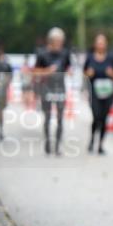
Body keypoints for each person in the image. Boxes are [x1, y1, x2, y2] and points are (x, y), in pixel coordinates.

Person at [33, 27, 72, 155]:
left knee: (60, 118)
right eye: (57, 40)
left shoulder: (65, 53)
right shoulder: (42, 54)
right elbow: (35, 72)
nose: (60, 43)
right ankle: (48, 142)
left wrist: (69, 72)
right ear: (51, 40)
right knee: (48, 117)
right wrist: (47, 71)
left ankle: (57, 146)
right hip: (46, 88)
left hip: (60, 88)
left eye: (61, 40)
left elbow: (68, 68)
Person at [84, 33, 113, 154]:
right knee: (96, 116)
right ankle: (92, 139)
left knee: (104, 119)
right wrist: (88, 74)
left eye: (103, 42)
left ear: (106, 44)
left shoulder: (112, 57)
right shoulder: (90, 57)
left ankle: (100, 145)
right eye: (98, 42)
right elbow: (84, 73)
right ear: (95, 44)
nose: (100, 44)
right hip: (94, 92)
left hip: (108, 92)